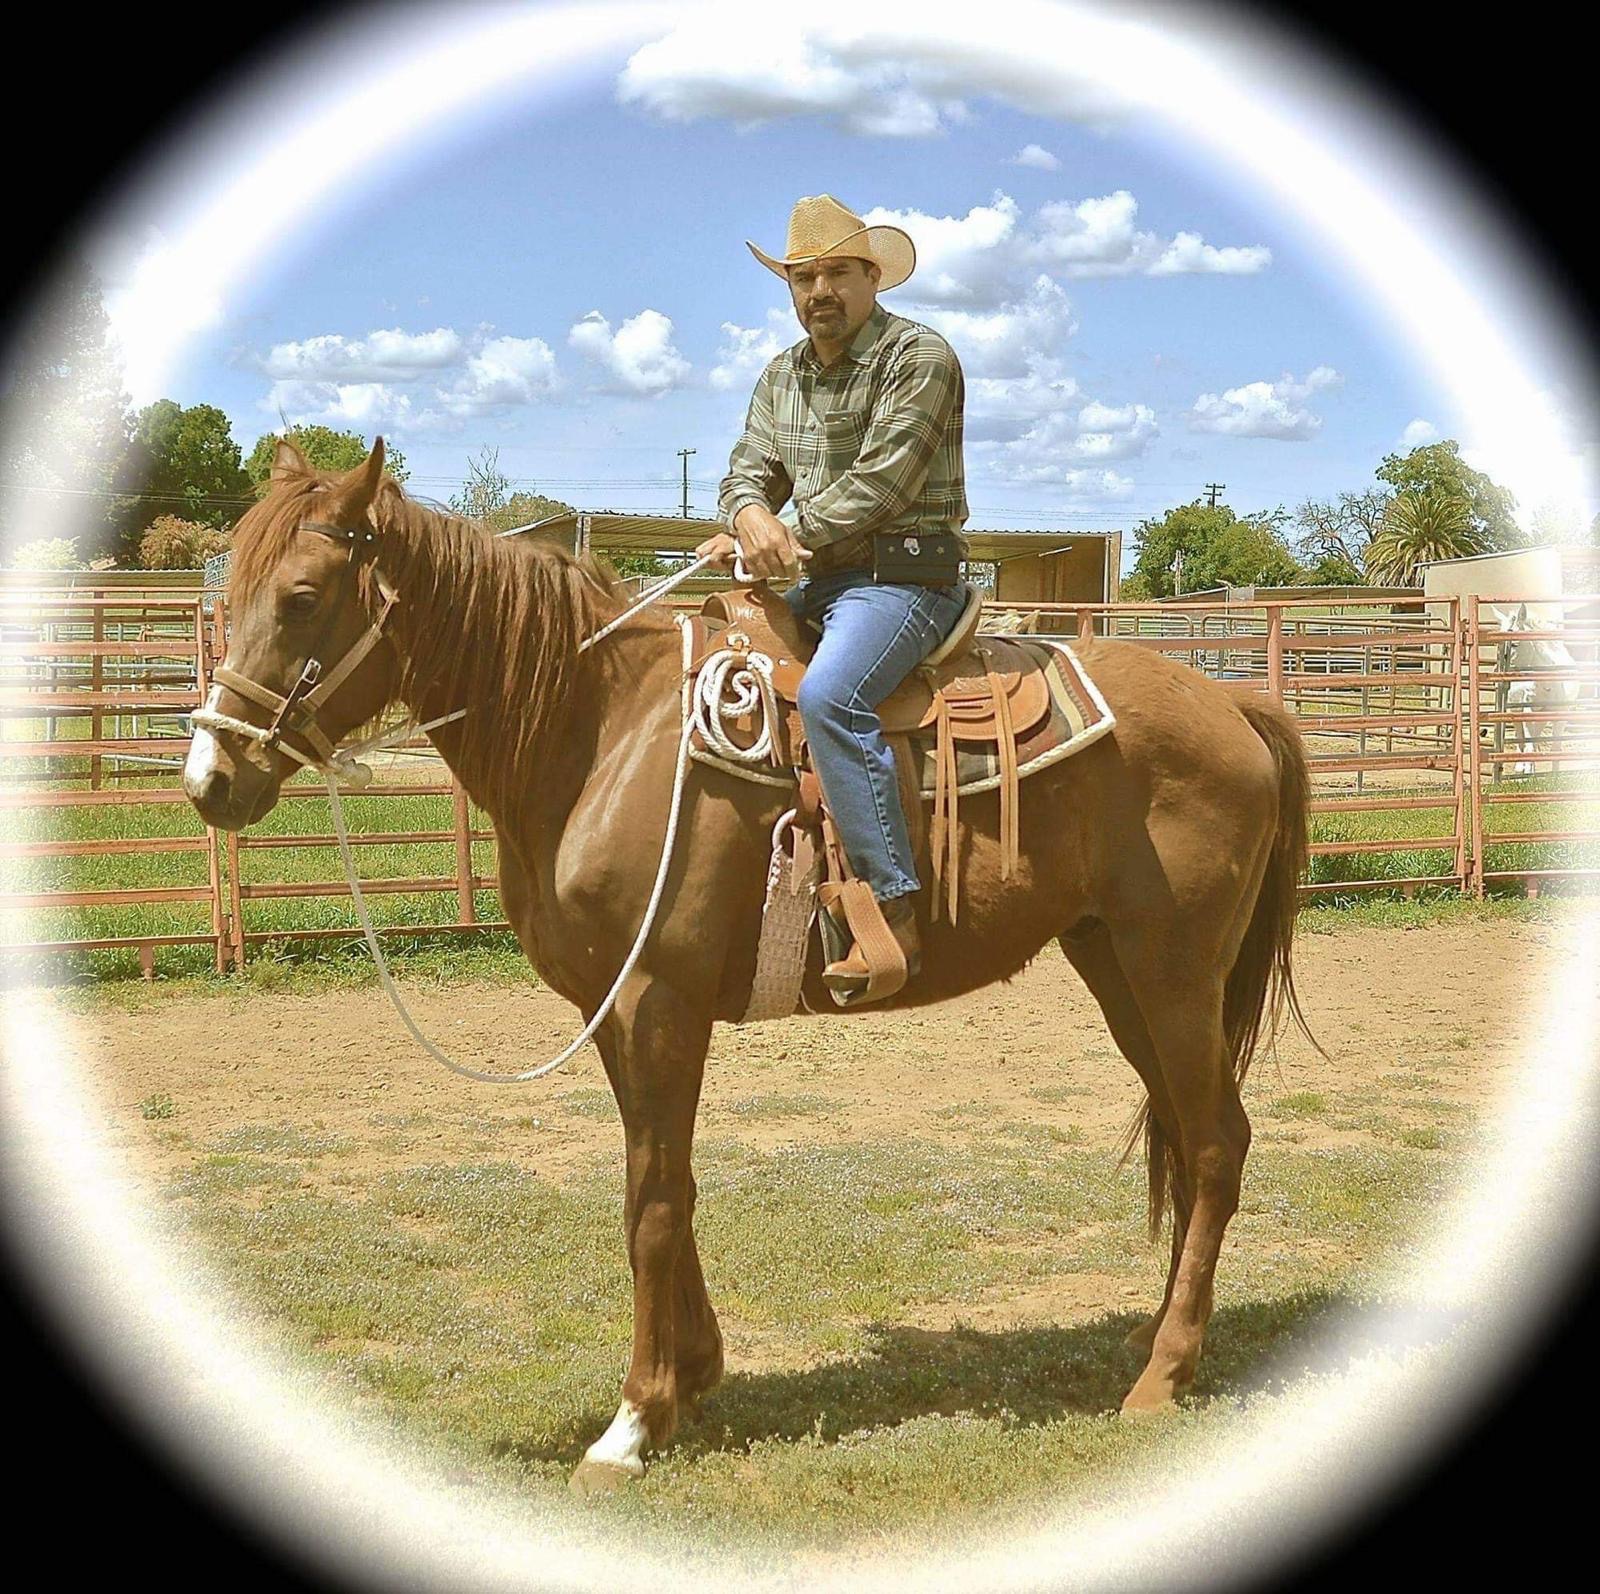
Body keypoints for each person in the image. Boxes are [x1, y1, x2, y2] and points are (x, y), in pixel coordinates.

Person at [698, 194, 970, 1000]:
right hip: (818, 582)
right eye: (803, 277)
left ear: (872, 277)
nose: (820, 290)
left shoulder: (918, 357)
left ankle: (891, 907)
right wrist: (748, 515)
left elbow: (884, 483)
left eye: (838, 273)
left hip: (901, 579)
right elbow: (747, 468)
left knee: (830, 698)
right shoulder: (781, 375)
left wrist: (780, 534)